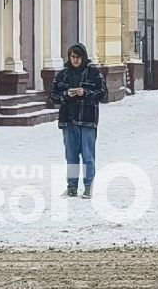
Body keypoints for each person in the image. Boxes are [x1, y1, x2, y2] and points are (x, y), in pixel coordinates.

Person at [50, 43, 107, 199]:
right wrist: (66, 95)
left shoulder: (94, 73)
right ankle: (72, 187)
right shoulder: (62, 75)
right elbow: (53, 97)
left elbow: (102, 93)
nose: (75, 60)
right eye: (72, 56)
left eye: (78, 56)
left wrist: (85, 93)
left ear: (83, 57)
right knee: (71, 156)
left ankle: (88, 186)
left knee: (88, 155)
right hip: (68, 120)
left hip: (87, 120)